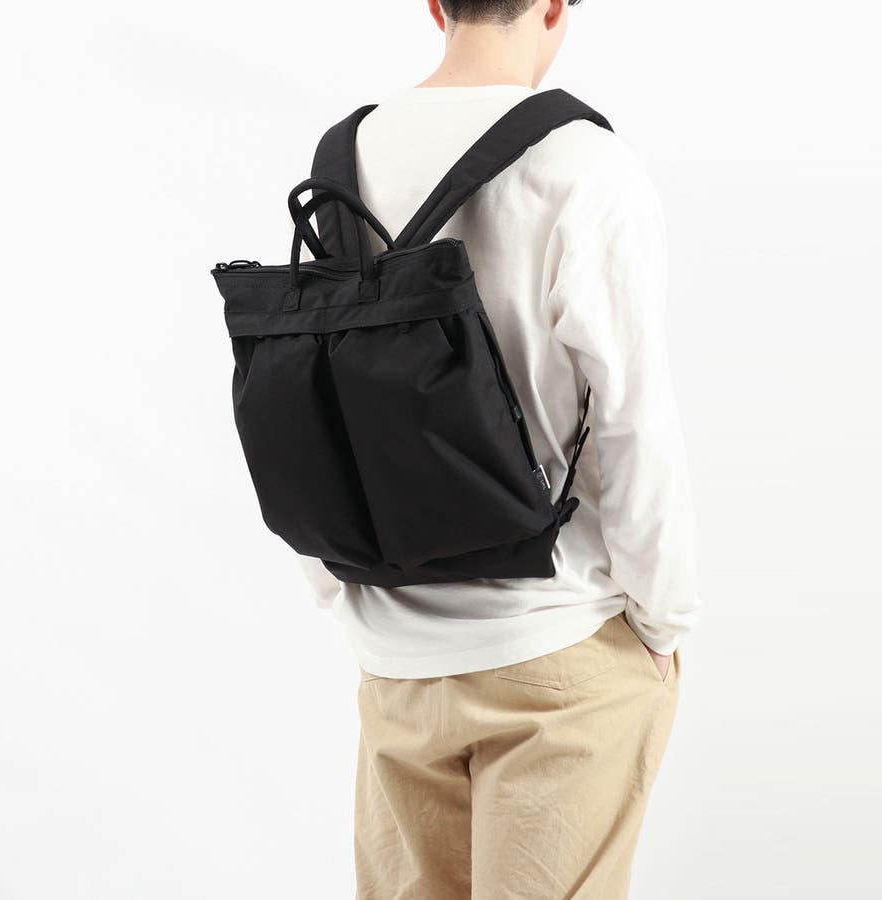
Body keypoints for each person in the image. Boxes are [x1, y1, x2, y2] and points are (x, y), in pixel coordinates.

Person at [294, 1, 702, 896]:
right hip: (556, 647)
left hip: (396, 660)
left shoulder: (343, 158)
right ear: (554, 6)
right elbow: (634, 420)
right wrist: (662, 623)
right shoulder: (586, 166)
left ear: (436, 5)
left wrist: (342, 588)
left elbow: (316, 391)